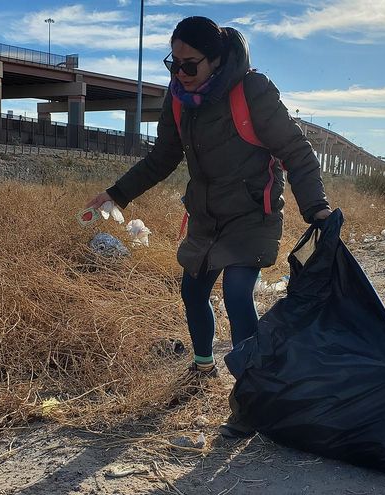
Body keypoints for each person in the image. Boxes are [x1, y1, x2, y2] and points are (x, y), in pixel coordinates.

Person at [86, 16, 332, 438]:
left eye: (189, 65)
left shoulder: (252, 90)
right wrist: (117, 194)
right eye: (172, 63)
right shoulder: (179, 97)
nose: (179, 73)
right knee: (193, 291)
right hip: (205, 214)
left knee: (237, 294)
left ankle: (250, 395)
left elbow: (296, 150)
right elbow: (163, 157)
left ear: (216, 60)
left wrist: (317, 210)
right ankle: (202, 369)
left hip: (253, 214)